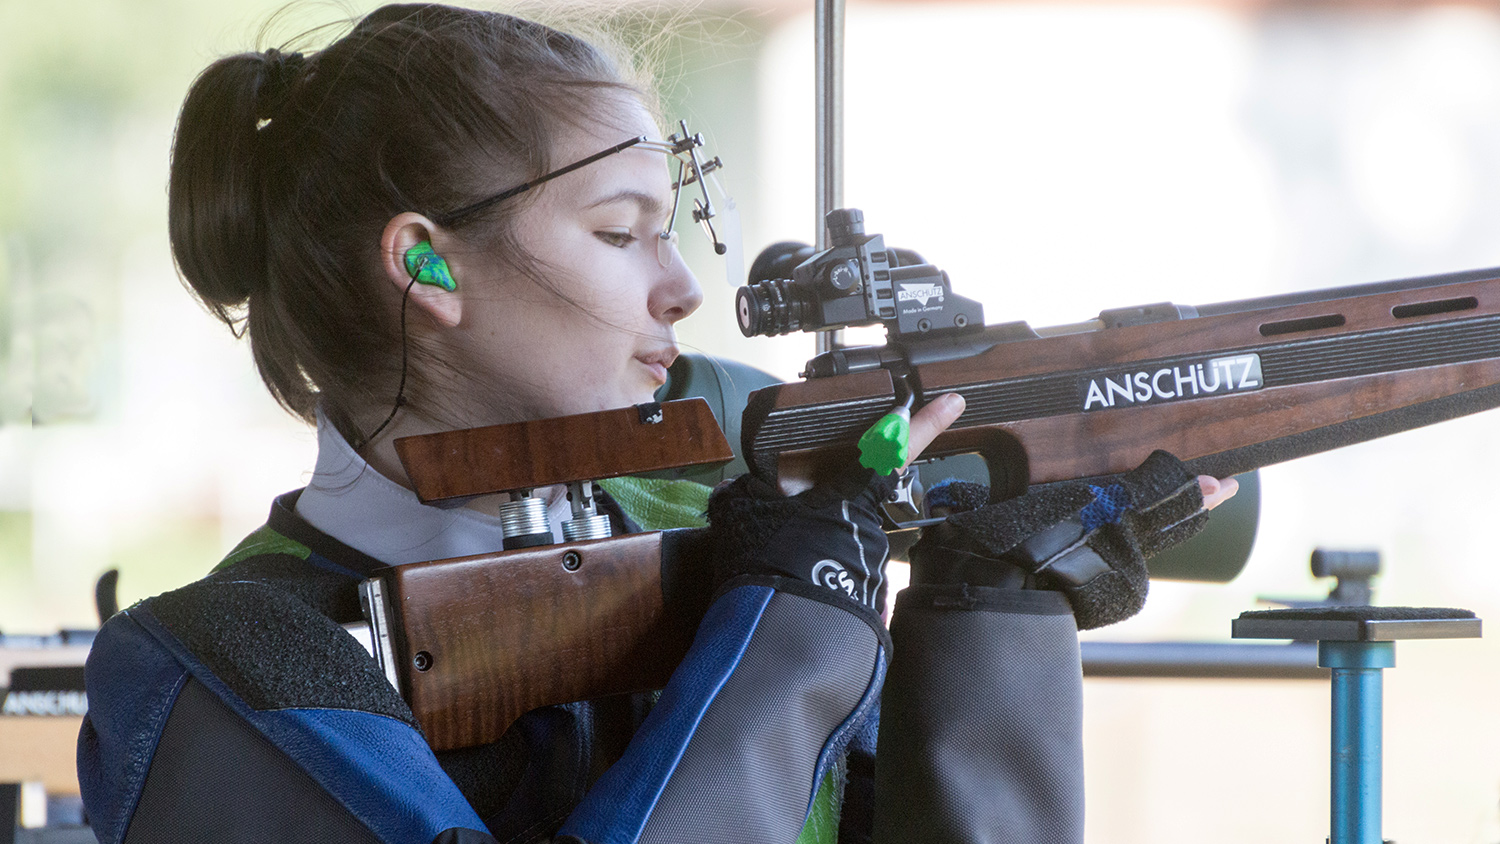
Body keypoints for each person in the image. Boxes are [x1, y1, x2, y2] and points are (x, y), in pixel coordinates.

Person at [75, 5, 1236, 843]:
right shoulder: (222, 669)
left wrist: (992, 613)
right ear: (426, 262)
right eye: (623, 230)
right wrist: (788, 632)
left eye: (675, 229)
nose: (681, 287)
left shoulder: (718, 535)